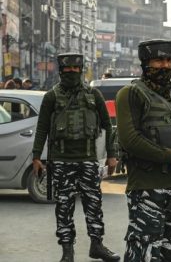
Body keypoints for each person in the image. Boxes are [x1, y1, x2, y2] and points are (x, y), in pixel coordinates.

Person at [115, 39, 171, 262]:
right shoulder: (131, 94)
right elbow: (130, 140)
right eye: (158, 60)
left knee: (170, 255)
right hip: (147, 189)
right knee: (143, 253)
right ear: (145, 63)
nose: (164, 66)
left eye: (168, 60)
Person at [31, 53, 120, 262]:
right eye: (67, 69)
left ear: (81, 70)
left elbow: (109, 125)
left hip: (87, 159)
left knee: (94, 203)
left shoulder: (93, 95)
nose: (72, 72)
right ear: (61, 70)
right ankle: (67, 252)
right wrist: (36, 156)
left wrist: (112, 154)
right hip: (61, 160)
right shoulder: (51, 97)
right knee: (64, 206)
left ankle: (96, 245)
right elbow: (42, 127)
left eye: (75, 68)